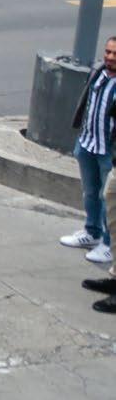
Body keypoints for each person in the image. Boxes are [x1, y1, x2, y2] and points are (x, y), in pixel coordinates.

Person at [66, 37, 116, 267]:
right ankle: (92, 232)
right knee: (90, 192)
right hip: (88, 143)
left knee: (108, 199)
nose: (110, 57)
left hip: (109, 150)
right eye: (108, 52)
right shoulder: (98, 72)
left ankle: (108, 244)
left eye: (115, 54)